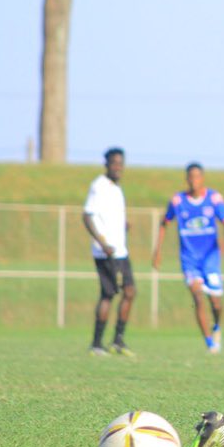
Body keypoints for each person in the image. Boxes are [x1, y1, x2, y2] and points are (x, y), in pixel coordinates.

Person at [152, 163, 224, 353]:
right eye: (191, 177)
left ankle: (217, 327)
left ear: (202, 178)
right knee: (197, 297)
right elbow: (164, 223)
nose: (194, 180)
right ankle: (209, 342)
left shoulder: (213, 198)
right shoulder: (178, 201)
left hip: (211, 259)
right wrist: (158, 251)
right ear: (187, 179)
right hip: (190, 260)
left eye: (197, 176)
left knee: (216, 303)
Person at [83, 147, 135, 356]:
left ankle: (118, 341)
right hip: (107, 252)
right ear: (106, 164)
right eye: (114, 163)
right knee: (109, 294)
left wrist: (123, 225)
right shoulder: (99, 186)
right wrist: (101, 242)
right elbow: (87, 216)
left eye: (121, 163)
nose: (118, 167)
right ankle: (96, 344)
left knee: (130, 292)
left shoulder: (116, 188)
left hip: (120, 250)